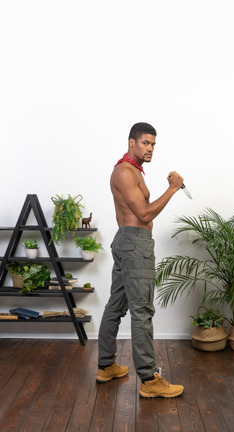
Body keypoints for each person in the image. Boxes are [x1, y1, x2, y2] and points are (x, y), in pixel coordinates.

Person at [96, 122, 184, 398]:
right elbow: (144, 214)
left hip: (128, 241)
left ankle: (106, 366)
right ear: (131, 142)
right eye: (146, 143)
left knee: (116, 305)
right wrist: (172, 189)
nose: (150, 148)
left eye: (153, 144)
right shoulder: (124, 172)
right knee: (142, 311)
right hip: (135, 244)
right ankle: (149, 379)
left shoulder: (132, 170)